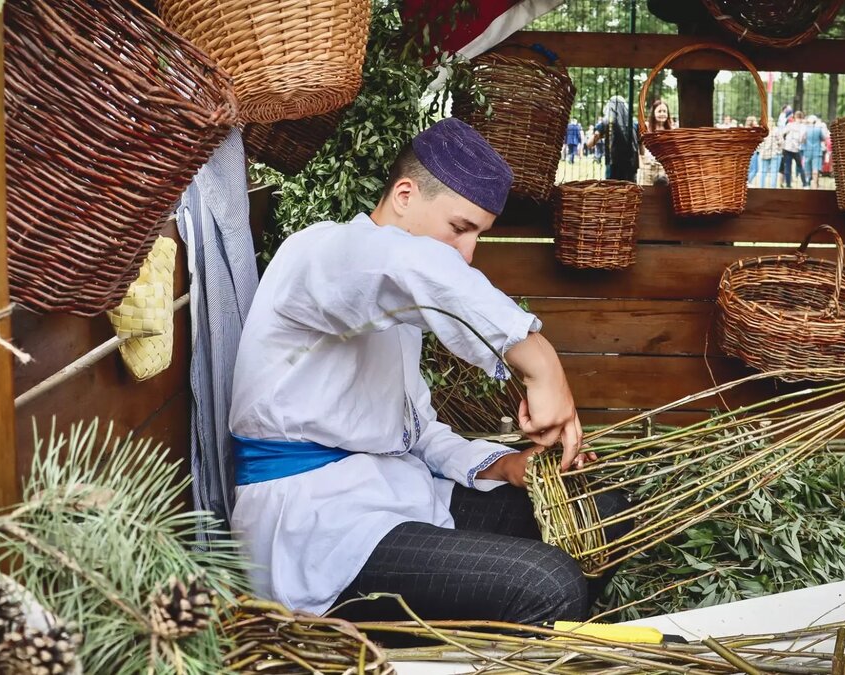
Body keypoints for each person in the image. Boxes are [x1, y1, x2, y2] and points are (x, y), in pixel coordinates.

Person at [230, 118, 628, 624]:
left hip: (398, 492)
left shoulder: (395, 305)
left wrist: (498, 466)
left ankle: (521, 635)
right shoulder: (322, 253)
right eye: (460, 228)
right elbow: (403, 263)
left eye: (479, 236)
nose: (467, 253)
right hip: (317, 524)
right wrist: (539, 359)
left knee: (602, 513)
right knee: (549, 585)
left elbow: (412, 431)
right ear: (404, 194)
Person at [587, 96, 638, 181]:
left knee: (612, 190)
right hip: (631, 166)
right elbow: (642, 150)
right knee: (630, 190)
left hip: (612, 164)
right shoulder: (634, 124)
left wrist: (597, 135)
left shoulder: (606, 123)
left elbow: (589, 144)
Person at [638, 98, 672, 186]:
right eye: (659, 111)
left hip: (663, 168)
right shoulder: (646, 128)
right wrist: (643, 162)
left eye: (665, 111)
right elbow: (641, 147)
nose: (662, 114)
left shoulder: (671, 131)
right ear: (653, 113)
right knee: (646, 192)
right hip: (648, 166)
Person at [780, 110, 808, 188]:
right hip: (794, 149)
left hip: (789, 148)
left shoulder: (790, 125)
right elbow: (802, 139)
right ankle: (804, 184)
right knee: (799, 167)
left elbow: (782, 132)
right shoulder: (803, 127)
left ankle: (789, 184)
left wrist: (784, 140)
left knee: (789, 167)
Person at [802, 115, 829, 188]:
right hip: (817, 151)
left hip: (807, 151)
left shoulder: (806, 129)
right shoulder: (818, 129)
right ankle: (815, 184)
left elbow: (802, 140)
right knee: (815, 169)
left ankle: (807, 183)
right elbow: (823, 138)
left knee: (807, 168)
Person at [744, 116, 761, 185]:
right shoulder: (752, 131)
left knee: (750, 169)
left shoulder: (747, 130)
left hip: (750, 151)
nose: (756, 122)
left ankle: (747, 182)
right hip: (752, 151)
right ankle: (747, 182)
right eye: (755, 121)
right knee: (755, 169)